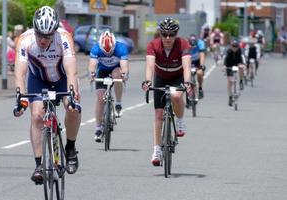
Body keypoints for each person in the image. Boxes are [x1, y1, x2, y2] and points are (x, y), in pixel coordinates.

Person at [13, 6, 81, 184]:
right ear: (34, 30)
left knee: (73, 108)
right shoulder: (25, 40)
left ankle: (71, 148)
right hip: (39, 80)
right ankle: (39, 165)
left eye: (48, 36)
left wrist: (73, 96)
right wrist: (21, 98)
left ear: (54, 31)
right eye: (39, 35)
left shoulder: (64, 37)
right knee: (36, 116)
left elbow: (71, 71)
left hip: (62, 79)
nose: (43, 40)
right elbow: (20, 73)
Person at [141, 18, 192, 166]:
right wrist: (148, 81)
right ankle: (157, 150)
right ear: (160, 34)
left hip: (177, 76)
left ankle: (180, 121)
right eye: (164, 34)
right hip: (161, 77)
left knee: (176, 95)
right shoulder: (153, 45)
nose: (168, 38)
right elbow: (150, 66)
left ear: (176, 34)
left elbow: (187, 66)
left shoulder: (183, 44)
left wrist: (187, 82)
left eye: (172, 34)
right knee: (158, 114)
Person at [88, 30, 129, 143]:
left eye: (110, 52)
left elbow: (124, 65)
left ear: (114, 45)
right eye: (104, 52)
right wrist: (91, 74)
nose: (107, 54)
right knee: (100, 98)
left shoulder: (121, 48)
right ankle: (97, 128)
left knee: (117, 75)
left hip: (115, 68)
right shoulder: (96, 48)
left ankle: (118, 103)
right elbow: (92, 65)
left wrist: (125, 74)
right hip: (102, 71)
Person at [223, 40, 246, 106]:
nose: (235, 48)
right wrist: (224, 66)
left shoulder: (240, 51)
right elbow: (225, 59)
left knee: (241, 68)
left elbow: (243, 58)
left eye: (236, 47)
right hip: (229, 65)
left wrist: (243, 64)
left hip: (237, 63)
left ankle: (241, 81)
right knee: (230, 81)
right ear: (231, 46)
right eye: (233, 46)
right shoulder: (228, 51)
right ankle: (230, 96)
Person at [188, 34, 206, 99]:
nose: (192, 47)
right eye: (191, 46)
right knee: (187, 74)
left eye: (194, 46)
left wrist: (201, 66)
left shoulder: (201, 43)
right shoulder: (185, 44)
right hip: (189, 60)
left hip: (197, 61)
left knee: (200, 73)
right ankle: (189, 93)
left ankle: (200, 88)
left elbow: (202, 55)